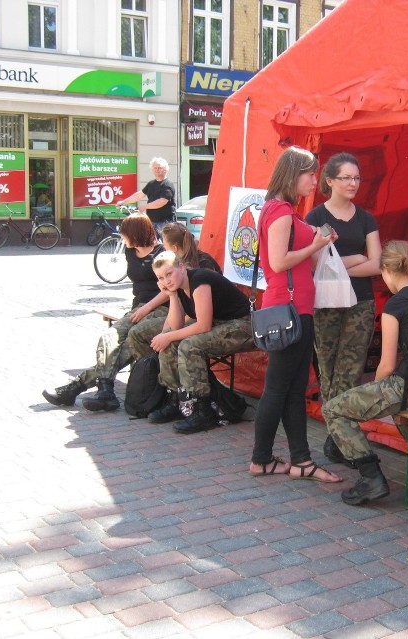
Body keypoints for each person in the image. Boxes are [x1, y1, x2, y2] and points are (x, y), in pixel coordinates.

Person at [322, 240, 408, 505]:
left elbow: (387, 365)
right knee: (395, 407)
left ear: (386, 271)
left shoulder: (395, 306)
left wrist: (375, 391)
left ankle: (371, 478)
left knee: (333, 409)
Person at [249, 146, 342, 483]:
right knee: (279, 387)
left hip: (292, 307)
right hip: (288, 309)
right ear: (293, 174)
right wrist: (315, 245)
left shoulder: (283, 209)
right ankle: (263, 458)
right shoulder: (281, 212)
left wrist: (317, 242)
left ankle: (299, 459)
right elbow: (278, 263)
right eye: (310, 174)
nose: (315, 181)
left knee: (291, 387)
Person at [42, 214, 168, 410]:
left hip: (159, 309)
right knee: (108, 338)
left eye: (124, 232)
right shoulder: (130, 250)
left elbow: (170, 290)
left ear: (135, 232)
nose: (121, 235)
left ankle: (76, 388)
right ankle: (105, 390)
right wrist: (140, 308)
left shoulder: (161, 253)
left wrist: (147, 308)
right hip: (137, 308)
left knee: (126, 349)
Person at [305, 153, 382, 467]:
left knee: (349, 372)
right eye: (347, 177)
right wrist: (354, 261)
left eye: (357, 178)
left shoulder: (366, 218)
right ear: (330, 180)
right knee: (329, 370)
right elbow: (314, 265)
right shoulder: (315, 218)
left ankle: (338, 437)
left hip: (360, 302)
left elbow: (377, 264)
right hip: (326, 303)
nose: (353, 183)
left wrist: (338, 264)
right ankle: (340, 437)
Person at [147, 251, 254, 433]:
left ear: (181, 267)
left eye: (169, 274)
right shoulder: (179, 288)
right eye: (161, 278)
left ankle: (202, 410)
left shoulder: (199, 279)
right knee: (171, 343)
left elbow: (203, 326)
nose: (166, 281)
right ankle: (176, 400)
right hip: (222, 324)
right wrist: (172, 296)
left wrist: (168, 336)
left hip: (244, 325)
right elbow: (177, 325)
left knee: (189, 346)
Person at [126, 221, 222, 363]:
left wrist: (169, 334)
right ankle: (150, 373)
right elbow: (175, 300)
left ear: (174, 248)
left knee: (164, 341)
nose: (162, 248)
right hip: (189, 314)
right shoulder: (177, 265)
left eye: (164, 245)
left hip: (210, 317)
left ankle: (160, 374)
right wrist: (167, 330)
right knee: (139, 334)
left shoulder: (201, 265)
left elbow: (202, 316)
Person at [117, 157, 176, 237]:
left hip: (164, 223)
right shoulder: (151, 184)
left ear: (165, 169)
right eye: (155, 168)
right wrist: (123, 202)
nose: (157, 170)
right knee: (151, 246)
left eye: (159, 168)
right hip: (151, 221)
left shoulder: (168, 184)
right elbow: (139, 195)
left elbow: (162, 201)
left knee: (164, 247)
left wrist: (145, 207)